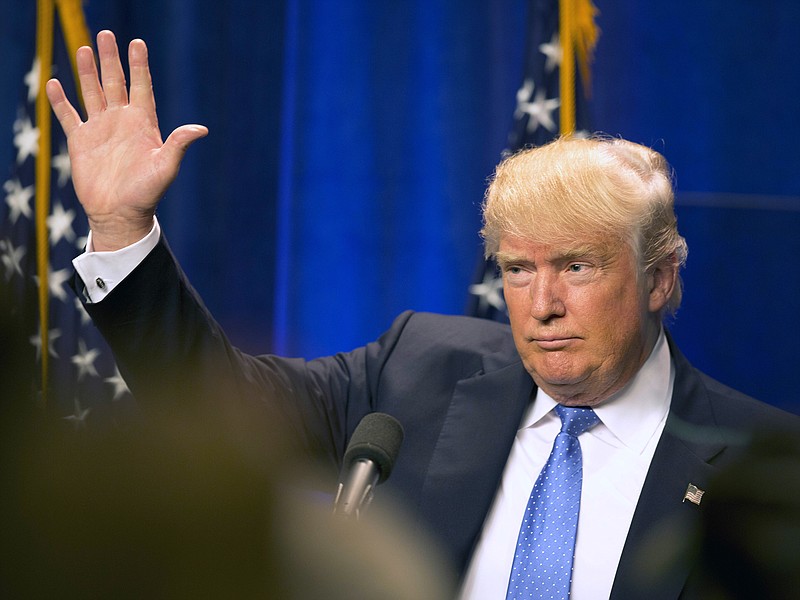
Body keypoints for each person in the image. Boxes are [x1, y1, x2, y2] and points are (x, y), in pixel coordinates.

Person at [46, 31, 799, 599]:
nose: (542, 306)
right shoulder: (418, 370)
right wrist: (121, 230)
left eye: (578, 266)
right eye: (517, 270)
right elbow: (219, 405)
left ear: (660, 277)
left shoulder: (766, 462)